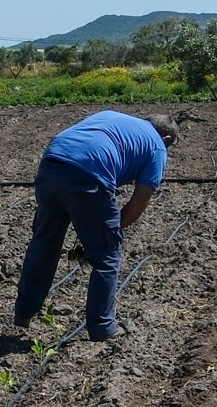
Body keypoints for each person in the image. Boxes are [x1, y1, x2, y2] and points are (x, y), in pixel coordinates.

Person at [13, 110, 176, 340]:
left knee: (44, 242)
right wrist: (105, 234)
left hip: (52, 162)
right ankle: (103, 328)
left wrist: (90, 228)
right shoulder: (158, 146)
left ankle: (23, 311)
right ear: (167, 139)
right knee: (108, 255)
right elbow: (137, 204)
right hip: (90, 174)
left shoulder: (111, 117)